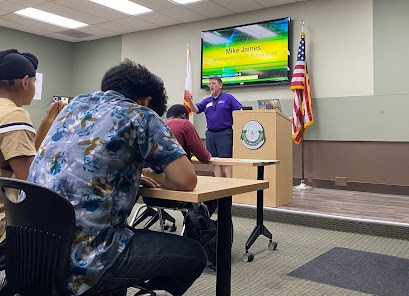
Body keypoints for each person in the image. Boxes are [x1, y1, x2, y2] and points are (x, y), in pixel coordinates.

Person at [27, 60, 207, 296]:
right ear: (146, 100)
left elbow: (81, 160)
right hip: (83, 260)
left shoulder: (72, 108)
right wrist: (155, 174)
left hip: (33, 250)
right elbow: (186, 180)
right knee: (194, 255)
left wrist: (128, 174)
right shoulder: (140, 115)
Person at [0, 49, 63, 241]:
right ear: (26, 82)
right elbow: (29, 179)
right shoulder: (14, 115)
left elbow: (18, 158)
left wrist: (46, 122)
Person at [185, 76, 242, 178]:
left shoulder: (228, 98)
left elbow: (240, 110)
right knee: (215, 161)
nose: (211, 86)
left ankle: (230, 184)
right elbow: (195, 109)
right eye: (210, 84)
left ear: (220, 85)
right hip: (210, 134)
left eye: (214, 83)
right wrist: (189, 101)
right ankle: (218, 184)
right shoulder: (207, 101)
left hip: (224, 133)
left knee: (226, 160)